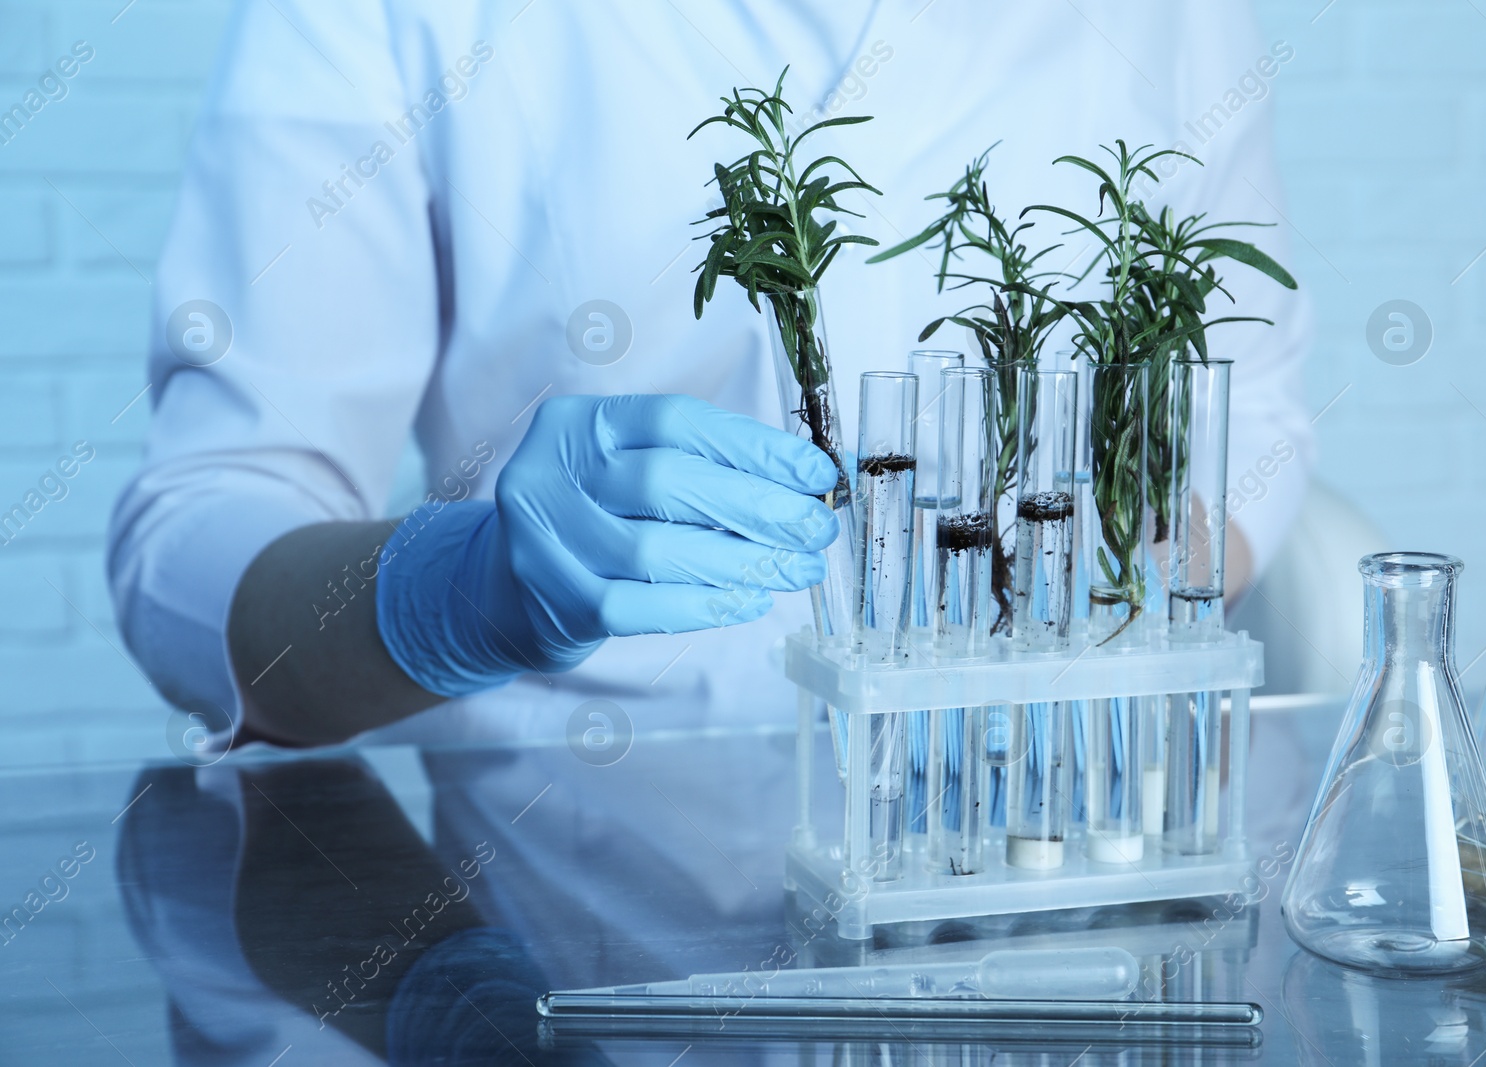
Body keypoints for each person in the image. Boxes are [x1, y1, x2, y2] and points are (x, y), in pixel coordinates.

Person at [109, 0, 1311, 749]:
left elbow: (1247, 415)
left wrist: (1102, 623)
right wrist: (454, 594)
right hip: (576, 888)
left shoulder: (1173, 16)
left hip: (1064, 873)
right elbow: (194, 543)